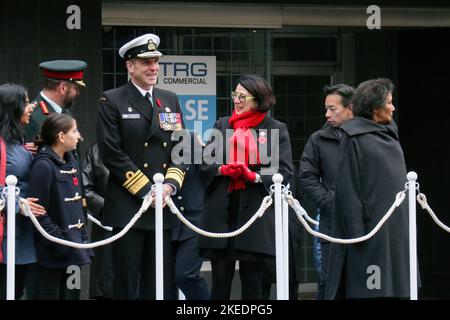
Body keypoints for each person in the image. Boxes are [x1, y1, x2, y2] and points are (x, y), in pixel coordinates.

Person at [96, 33, 188, 299]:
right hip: (130, 207)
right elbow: (111, 152)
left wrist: (169, 185)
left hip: (163, 206)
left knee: (158, 281)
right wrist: (148, 190)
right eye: (146, 62)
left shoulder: (169, 98)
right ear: (130, 66)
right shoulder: (112, 100)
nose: (153, 68)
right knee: (126, 282)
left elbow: (180, 148)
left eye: (156, 61)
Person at [197, 74, 294, 300]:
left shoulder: (276, 128)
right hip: (222, 214)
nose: (237, 101)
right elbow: (204, 164)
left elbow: (285, 171)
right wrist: (223, 170)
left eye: (243, 97)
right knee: (220, 283)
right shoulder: (222, 124)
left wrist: (255, 176)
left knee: (253, 284)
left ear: (258, 101)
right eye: (235, 95)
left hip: (256, 218)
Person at [325, 78, 409, 299]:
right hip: (370, 230)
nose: (393, 107)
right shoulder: (353, 138)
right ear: (374, 107)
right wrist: (356, 231)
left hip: (394, 230)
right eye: (389, 102)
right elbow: (348, 186)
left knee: (395, 289)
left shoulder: (390, 134)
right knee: (372, 289)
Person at [297, 84, 354, 299]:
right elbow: (307, 177)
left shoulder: (368, 135)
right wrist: (329, 201)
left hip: (367, 222)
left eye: (333, 109)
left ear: (351, 107)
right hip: (330, 221)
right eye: (326, 108)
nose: (327, 114)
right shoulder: (318, 138)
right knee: (328, 280)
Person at [27, 113, 92, 300]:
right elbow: (39, 213)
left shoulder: (71, 160)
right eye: (75, 131)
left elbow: (80, 205)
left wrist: (81, 239)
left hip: (75, 249)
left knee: (73, 295)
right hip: (54, 252)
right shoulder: (44, 166)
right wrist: (60, 243)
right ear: (61, 136)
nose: (79, 136)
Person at [0, 83, 46, 299]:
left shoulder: (18, 142)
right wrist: (18, 204)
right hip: (7, 235)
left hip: (24, 233)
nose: (30, 108)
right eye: (26, 103)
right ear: (12, 107)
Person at [171, 133, 210, 300]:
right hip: (167, 221)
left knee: (185, 275)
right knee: (165, 280)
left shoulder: (190, 141)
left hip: (194, 220)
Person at [25, 60, 87, 143]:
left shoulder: (64, 110)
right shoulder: (33, 116)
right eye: (76, 88)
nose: (78, 93)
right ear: (62, 88)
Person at [82, 143, 113, 299]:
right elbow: (85, 189)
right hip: (105, 223)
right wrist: (112, 208)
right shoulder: (96, 149)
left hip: (138, 223)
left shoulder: (141, 145)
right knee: (104, 285)